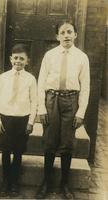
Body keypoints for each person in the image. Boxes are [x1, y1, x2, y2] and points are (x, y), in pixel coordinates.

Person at [36, 21, 90, 199]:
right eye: (62, 32)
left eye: (69, 32)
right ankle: (46, 182)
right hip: (52, 99)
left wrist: (81, 112)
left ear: (75, 34)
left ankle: (64, 184)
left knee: (67, 142)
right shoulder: (49, 55)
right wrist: (42, 108)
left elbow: (86, 86)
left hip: (71, 100)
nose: (66, 35)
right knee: (50, 141)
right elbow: (41, 82)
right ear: (57, 36)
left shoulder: (82, 57)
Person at [0, 43, 37, 197]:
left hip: (22, 119)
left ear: (27, 61)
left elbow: (34, 102)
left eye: (22, 58)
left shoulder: (30, 79)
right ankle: (5, 181)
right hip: (5, 118)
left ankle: (14, 182)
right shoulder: (3, 78)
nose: (18, 61)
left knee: (18, 151)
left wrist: (31, 122)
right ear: (11, 59)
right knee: (5, 150)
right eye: (16, 58)